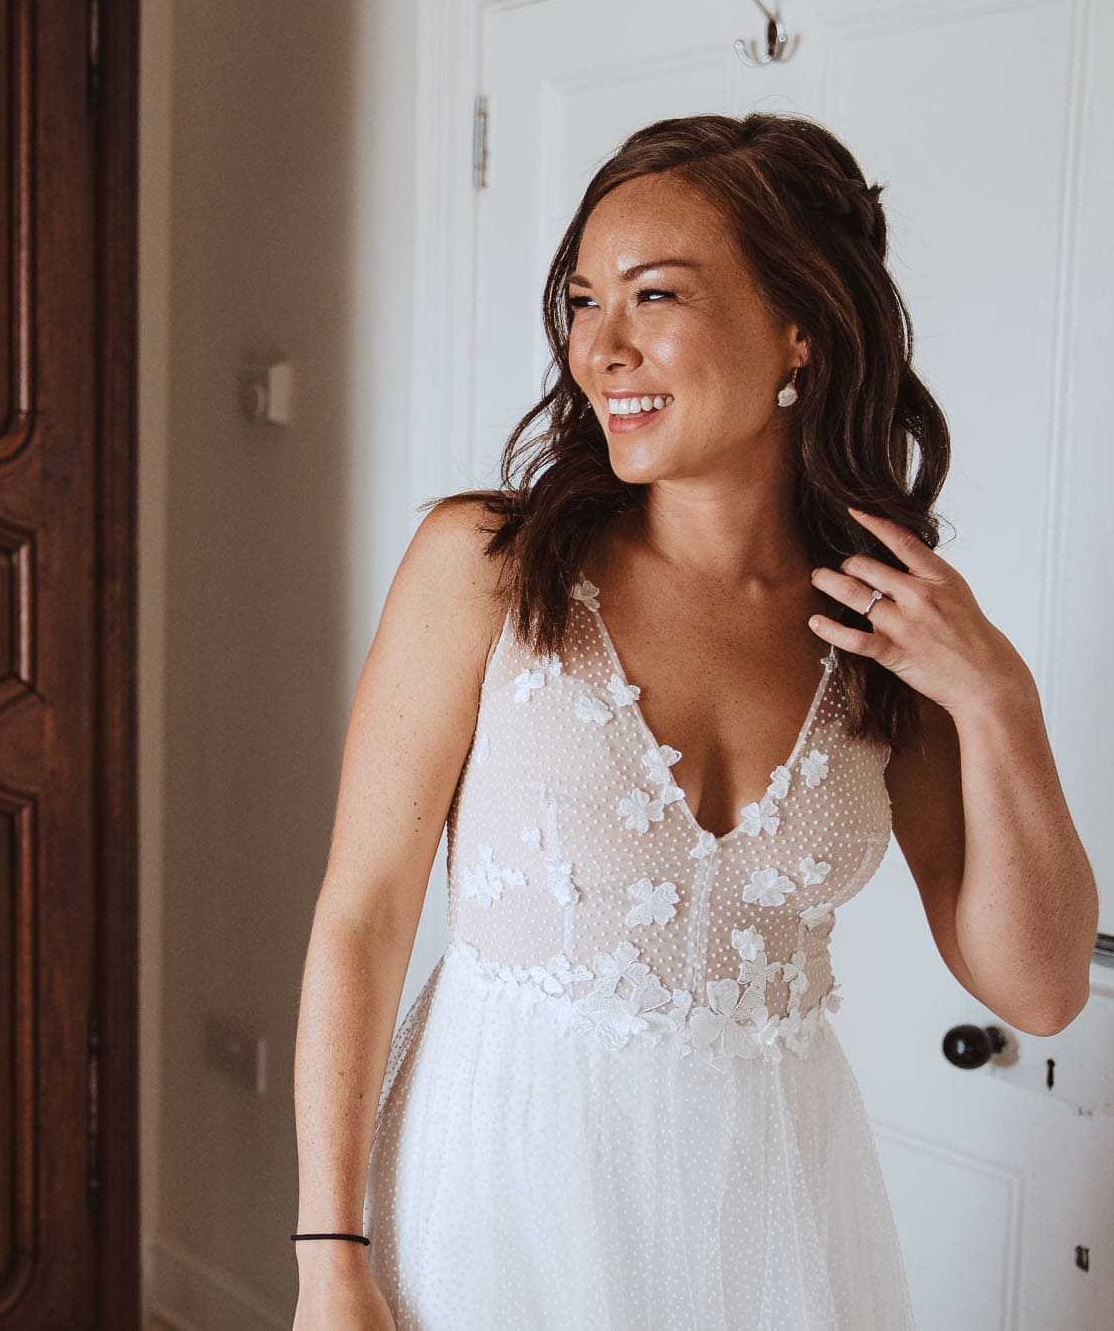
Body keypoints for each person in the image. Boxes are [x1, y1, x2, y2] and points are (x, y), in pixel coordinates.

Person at [290, 114, 1098, 1329]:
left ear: (800, 329)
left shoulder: (887, 633)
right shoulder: (484, 569)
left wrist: (999, 702)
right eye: (578, 301)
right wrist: (327, 1256)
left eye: (652, 296)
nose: (599, 348)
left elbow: (1036, 993)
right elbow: (362, 915)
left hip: (768, 1219)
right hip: (491, 1195)